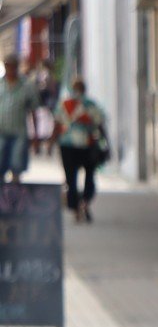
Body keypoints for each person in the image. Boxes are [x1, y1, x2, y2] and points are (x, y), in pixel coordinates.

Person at [57, 78, 108, 221]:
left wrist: (51, 141)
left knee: (70, 178)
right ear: (85, 89)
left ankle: (75, 209)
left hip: (67, 145)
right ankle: (85, 201)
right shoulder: (91, 104)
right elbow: (100, 124)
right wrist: (105, 143)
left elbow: (57, 123)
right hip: (88, 145)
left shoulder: (65, 104)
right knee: (89, 175)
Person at [0, 57, 36, 182]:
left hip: (19, 132)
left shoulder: (26, 85)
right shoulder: (1, 84)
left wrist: (35, 134)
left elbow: (33, 110)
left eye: (13, 66)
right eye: (8, 65)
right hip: (1, 131)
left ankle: (15, 194)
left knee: (16, 164)